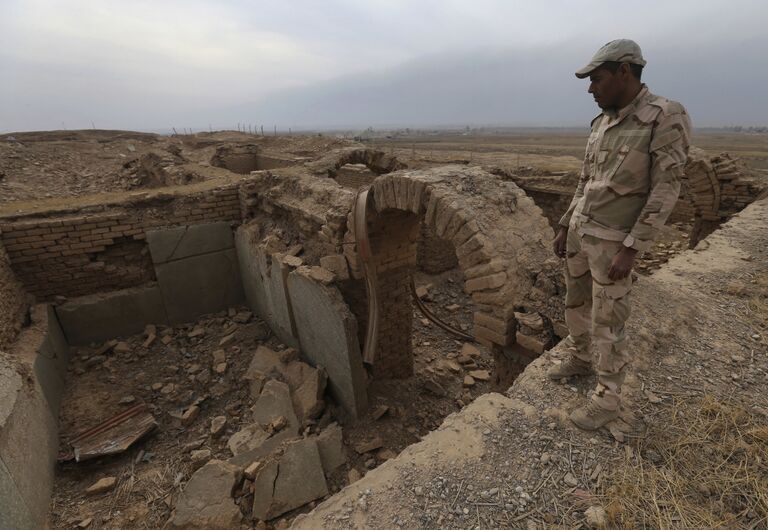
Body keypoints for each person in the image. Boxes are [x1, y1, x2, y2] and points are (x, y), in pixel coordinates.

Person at [549, 39, 691, 430]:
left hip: (614, 241)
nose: (590, 89)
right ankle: (580, 358)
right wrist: (565, 223)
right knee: (575, 301)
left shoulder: (664, 116)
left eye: (597, 79)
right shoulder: (602, 123)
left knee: (609, 319)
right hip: (581, 232)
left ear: (624, 71)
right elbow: (586, 179)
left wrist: (632, 248)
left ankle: (608, 397)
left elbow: (666, 188)